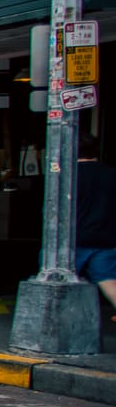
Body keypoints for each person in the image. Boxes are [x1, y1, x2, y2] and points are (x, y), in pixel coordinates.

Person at [76, 133, 116, 317]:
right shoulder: (111, 175)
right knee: (109, 282)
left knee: (55, 282)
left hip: (72, 241)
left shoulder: (66, 177)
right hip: (105, 240)